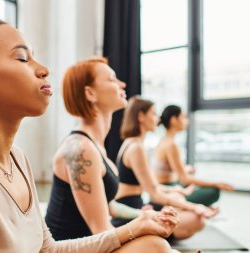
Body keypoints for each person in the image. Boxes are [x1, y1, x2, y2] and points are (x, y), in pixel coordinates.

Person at [0, 16, 178, 253]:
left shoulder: (17, 159)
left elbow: (46, 249)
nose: (44, 69)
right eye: (23, 57)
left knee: (151, 245)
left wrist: (134, 228)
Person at [45, 58, 180, 252]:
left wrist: (144, 216)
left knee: (158, 243)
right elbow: (100, 229)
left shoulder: (95, 146)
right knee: (156, 245)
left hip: (91, 241)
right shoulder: (81, 149)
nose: (122, 84)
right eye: (111, 79)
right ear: (90, 93)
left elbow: (109, 207)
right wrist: (140, 227)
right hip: (71, 248)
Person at [112, 96, 218, 240]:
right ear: (141, 116)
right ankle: (158, 237)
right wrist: (195, 206)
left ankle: (160, 235)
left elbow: (152, 186)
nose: (158, 119)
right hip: (129, 212)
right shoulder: (136, 147)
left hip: (138, 204)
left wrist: (176, 189)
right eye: (154, 114)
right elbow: (155, 194)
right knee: (197, 219)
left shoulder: (133, 143)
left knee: (187, 210)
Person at [153, 105, 234, 207]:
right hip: (167, 192)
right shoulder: (171, 145)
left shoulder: (163, 141)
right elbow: (185, 179)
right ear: (174, 120)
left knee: (193, 183)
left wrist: (185, 169)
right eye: (184, 117)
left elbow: (169, 171)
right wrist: (216, 183)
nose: (187, 121)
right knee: (213, 191)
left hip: (166, 187)